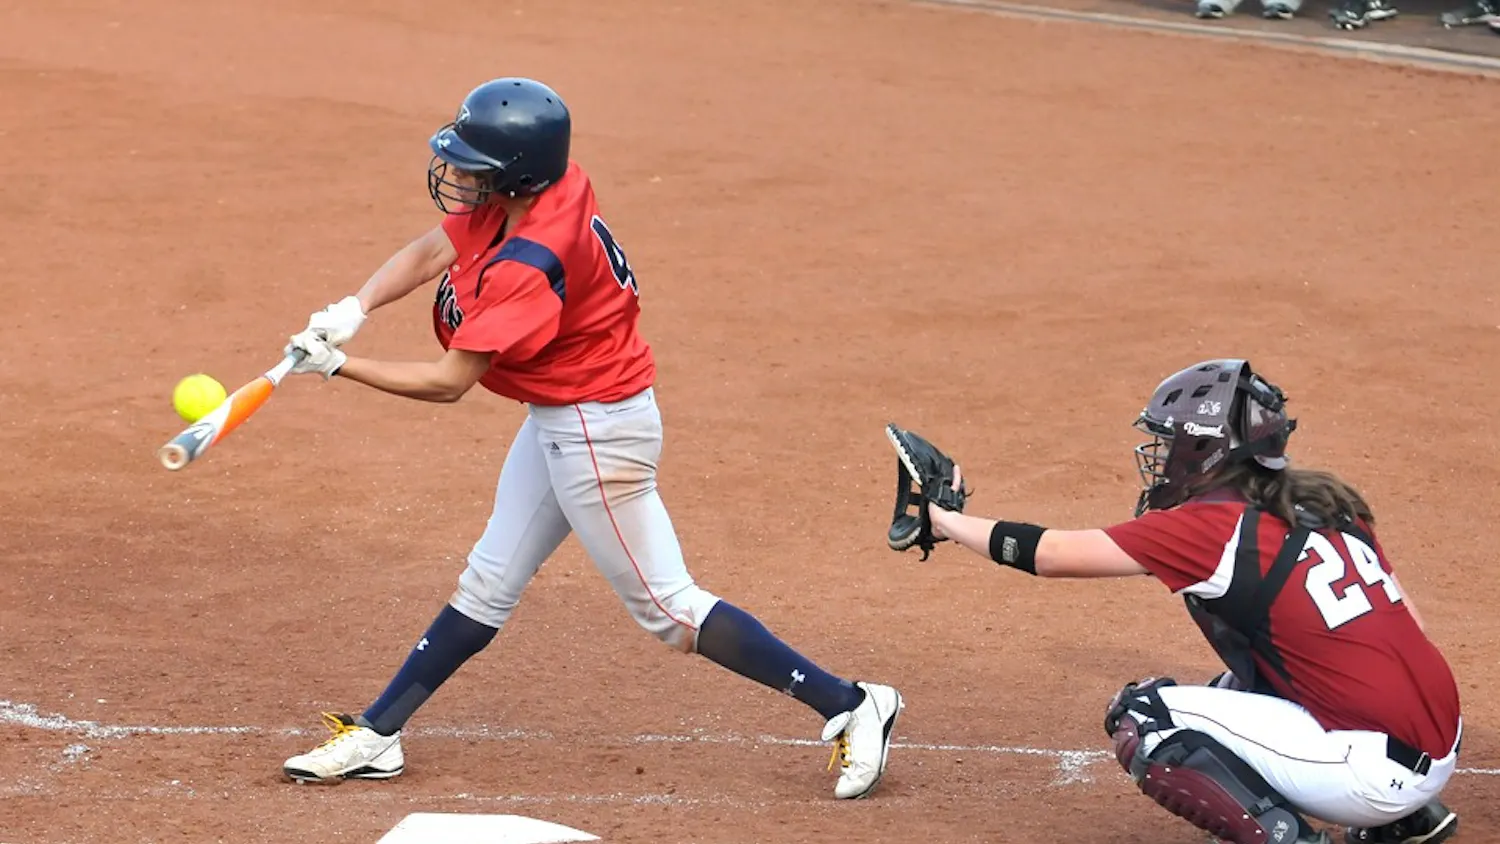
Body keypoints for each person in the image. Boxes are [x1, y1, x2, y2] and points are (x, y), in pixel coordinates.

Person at [276, 77, 903, 800]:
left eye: (475, 166)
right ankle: (379, 733)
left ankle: (853, 704)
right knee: (488, 582)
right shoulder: (549, 186)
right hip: (565, 415)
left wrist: (340, 366)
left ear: (515, 175)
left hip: (597, 432)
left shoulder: (530, 260)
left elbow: (449, 382)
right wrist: (354, 307)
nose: (460, 176)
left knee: (669, 610)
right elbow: (432, 249)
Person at [883, 359, 1461, 844]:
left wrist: (945, 519)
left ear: (1207, 448)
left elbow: (1052, 554)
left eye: (1172, 440)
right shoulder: (1326, 501)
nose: (1161, 454)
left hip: (1371, 772)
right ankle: (1409, 820)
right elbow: (1410, 626)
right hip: (1437, 742)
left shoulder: (1209, 529)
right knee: (1236, 687)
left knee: (1147, 719)